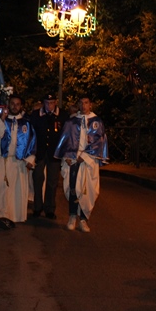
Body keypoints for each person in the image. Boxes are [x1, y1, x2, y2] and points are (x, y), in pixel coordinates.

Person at [54, 96, 109, 232]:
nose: (83, 106)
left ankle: (83, 219)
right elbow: (65, 139)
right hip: (74, 160)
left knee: (88, 190)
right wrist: (66, 156)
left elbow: (99, 141)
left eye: (86, 103)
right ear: (78, 105)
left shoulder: (97, 122)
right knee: (73, 188)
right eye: (81, 103)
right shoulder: (71, 122)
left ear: (91, 105)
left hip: (89, 161)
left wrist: (85, 156)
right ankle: (72, 216)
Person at [0, 95, 36, 229]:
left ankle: (14, 215)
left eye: (17, 104)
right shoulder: (0, 120)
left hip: (18, 162)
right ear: (8, 105)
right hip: (2, 160)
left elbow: (32, 142)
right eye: (12, 104)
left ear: (21, 106)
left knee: (15, 190)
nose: (15, 106)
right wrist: (2, 119)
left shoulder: (26, 123)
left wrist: (30, 159)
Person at [29, 93, 68, 219]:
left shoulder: (63, 115)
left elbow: (65, 134)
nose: (49, 105)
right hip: (39, 152)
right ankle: (37, 207)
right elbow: (31, 133)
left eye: (51, 103)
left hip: (54, 153)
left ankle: (50, 208)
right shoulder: (36, 115)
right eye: (47, 103)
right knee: (37, 179)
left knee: (52, 182)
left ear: (55, 102)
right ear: (43, 103)